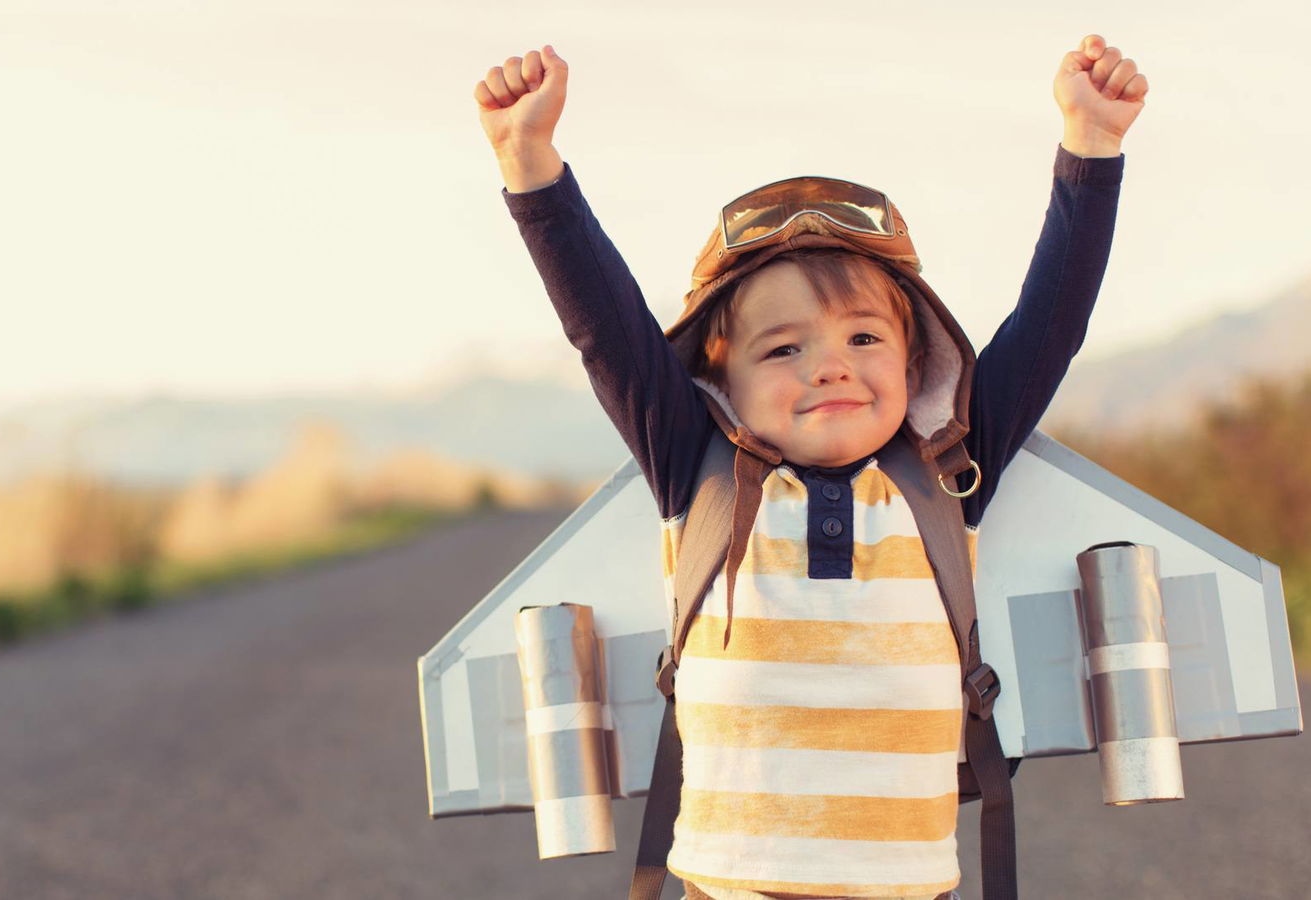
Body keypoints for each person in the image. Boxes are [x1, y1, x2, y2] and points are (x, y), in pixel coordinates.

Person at [474, 34, 1148, 900]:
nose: (830, 365)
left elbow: (1052, 322)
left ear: (915, 363)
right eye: (784, 347)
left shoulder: (946, 475)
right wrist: (530, 163)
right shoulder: (696, 470)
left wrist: (1090, 149)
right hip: (730, 888)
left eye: (863, 338)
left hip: (909, 886)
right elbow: (604, 329)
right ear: (723, 381)